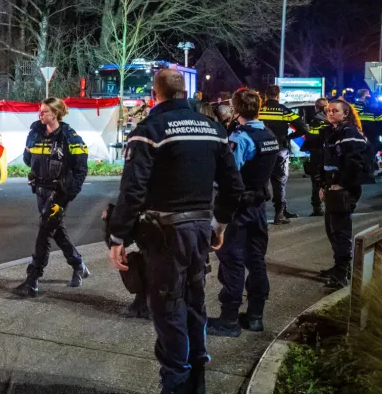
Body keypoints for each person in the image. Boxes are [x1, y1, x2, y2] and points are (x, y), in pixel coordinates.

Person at [108, 70, 244, 394]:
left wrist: (118, 238)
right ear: (183, 91)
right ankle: (197, 383)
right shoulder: (214, 130)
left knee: (168, 310)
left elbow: (133, 191)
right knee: (195, 305)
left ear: (156, 93)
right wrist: (218, 225)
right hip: (199, 231)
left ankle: (176, 383)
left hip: (166, 235)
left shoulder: (150, 130)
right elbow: (233, 188)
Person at [207, 89, 279, 337]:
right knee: (256, 261)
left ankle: (228, 321)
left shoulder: (241, 137)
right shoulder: (268, 134)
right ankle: (256, 316)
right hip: (258, 207)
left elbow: (231, 175)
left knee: (232, 261)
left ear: (237, 109)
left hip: (238, 209)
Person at [14, 97, 90, 297]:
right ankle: (78, 264)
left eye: (45, 111)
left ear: (55, 114)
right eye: (40, 111)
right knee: (56, 231)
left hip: (59, 194)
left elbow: (81, 169)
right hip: (40, 192)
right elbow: (27, 158)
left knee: (44, 232)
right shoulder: (35, 134)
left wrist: (69, 194)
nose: (40, 114)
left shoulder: (70, 137)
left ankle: (33, 280)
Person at [318, 99, 372, 288]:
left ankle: (342, 275)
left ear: (346, 114)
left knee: (340, 231)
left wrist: (340, 185)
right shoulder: (335, 131)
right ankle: (339, 267)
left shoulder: (349, 132)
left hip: (344, 190)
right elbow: (330, 162)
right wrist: (324, 185)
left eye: (335, 111)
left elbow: (354, 163)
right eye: (328, 110)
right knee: (331, 229)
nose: (330, 113)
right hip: (333, 187)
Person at [258, 85, 308, 224]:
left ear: (265, 96)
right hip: (280, 149)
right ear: (278, 96)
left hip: (260, 151)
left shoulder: (259, 110)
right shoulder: (284, 111)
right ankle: (279, 213)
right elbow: (303, 128)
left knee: (260, 181)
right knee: (279, 181)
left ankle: (259, 214)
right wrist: (289, 137)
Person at [300, 98, 330, 216]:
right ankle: (332, 205)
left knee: (317, 181)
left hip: (317, 154)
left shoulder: (316, 119)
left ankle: (317, 207)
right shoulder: (332, 118)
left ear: (316, 107)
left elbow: (311, 137)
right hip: (330, 154)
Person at [352, 88, 382, 177]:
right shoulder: (372, 108)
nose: (370, 96)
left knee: (359, 152)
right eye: (368, 94)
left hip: (357, 134)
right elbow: (381, 118)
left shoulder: (352, 107)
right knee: (370, 153)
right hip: (371, 134)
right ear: (365, 96)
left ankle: (360, 171)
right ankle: (368, 172)